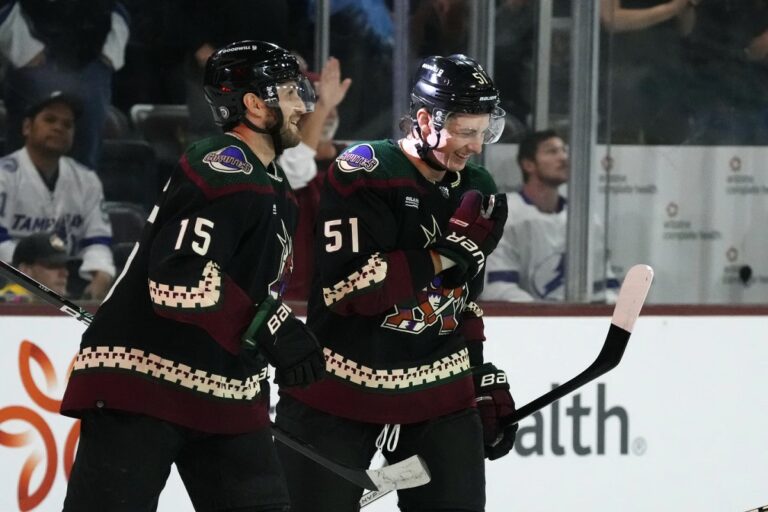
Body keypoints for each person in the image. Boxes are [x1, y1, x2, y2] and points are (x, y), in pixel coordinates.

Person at [59, 40, 325, 511]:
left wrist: (270, 337)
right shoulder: (221, 162)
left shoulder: (277, 190)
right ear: (253, 103)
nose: (303, 104)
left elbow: (248, 294)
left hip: (226, 391)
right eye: (290, 92)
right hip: (142, 382)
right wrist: (273, 327)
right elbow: (180, 278)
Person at [275, 54, 517, 512]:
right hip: (338, 388)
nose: (476, 147)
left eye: (485, 132)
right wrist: (445, 252)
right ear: (425, 119)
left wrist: (478, 375)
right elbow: (352, 289)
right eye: (466, 132)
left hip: (438, 393)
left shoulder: (477, 186)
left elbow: (463, 301)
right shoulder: (363, 170)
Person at [0, 90, 115, 300]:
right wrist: (36, 270)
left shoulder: (86, 179)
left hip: (65, 280)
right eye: (50, 119)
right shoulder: (4, 175)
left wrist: (101, 274)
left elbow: (97, 242)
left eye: (67, 124)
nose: (58, 127)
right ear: (27, 127)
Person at [482, 129, 620, 302]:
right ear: (528, 165)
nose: (563, 158)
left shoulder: (586, 219)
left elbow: (605, 285)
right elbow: (496, 288)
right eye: (552, 151)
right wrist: (545, 317)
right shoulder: (504, 214)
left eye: (564, 150)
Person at [0, 0, 130, 168]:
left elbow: (123, 6)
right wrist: (23, 47)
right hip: (33, 59)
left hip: (91, 61)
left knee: (83, 162)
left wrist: (109, 51)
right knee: (25, 162)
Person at [280, 56, 352, 301]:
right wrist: (322, 107)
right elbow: (295, 170)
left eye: (332, 101)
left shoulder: (355, 164)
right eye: (317, 101)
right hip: (290, 304)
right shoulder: (274, 162)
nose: (328, 113)